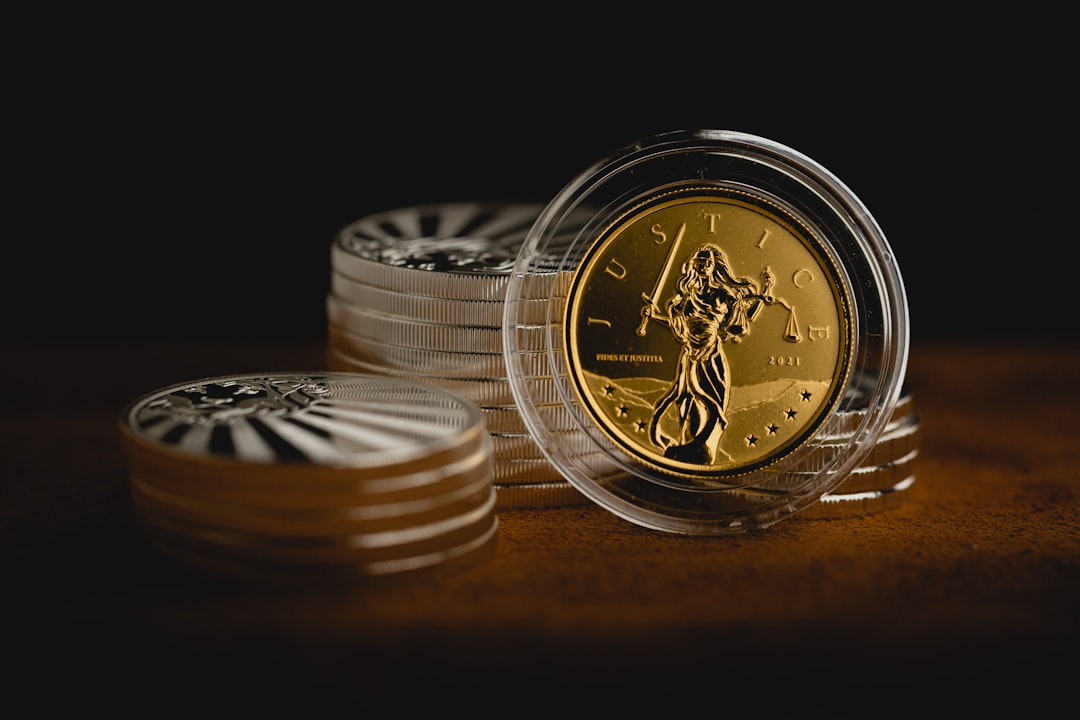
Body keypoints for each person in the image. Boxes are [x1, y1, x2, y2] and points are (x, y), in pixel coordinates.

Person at [642, 243, 770, 464]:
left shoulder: (724, 294)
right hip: (690, 357)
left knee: (712, 404)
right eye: (699, 263)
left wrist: (763, 295)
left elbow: (743, 318)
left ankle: (704, 448)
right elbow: (676, 324)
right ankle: (682, 445)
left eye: (707, 263)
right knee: (685, 403)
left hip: (711, 357)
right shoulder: (685, 298)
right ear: (693, 265)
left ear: (714, 267)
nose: (703, 266)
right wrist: (653, 317)